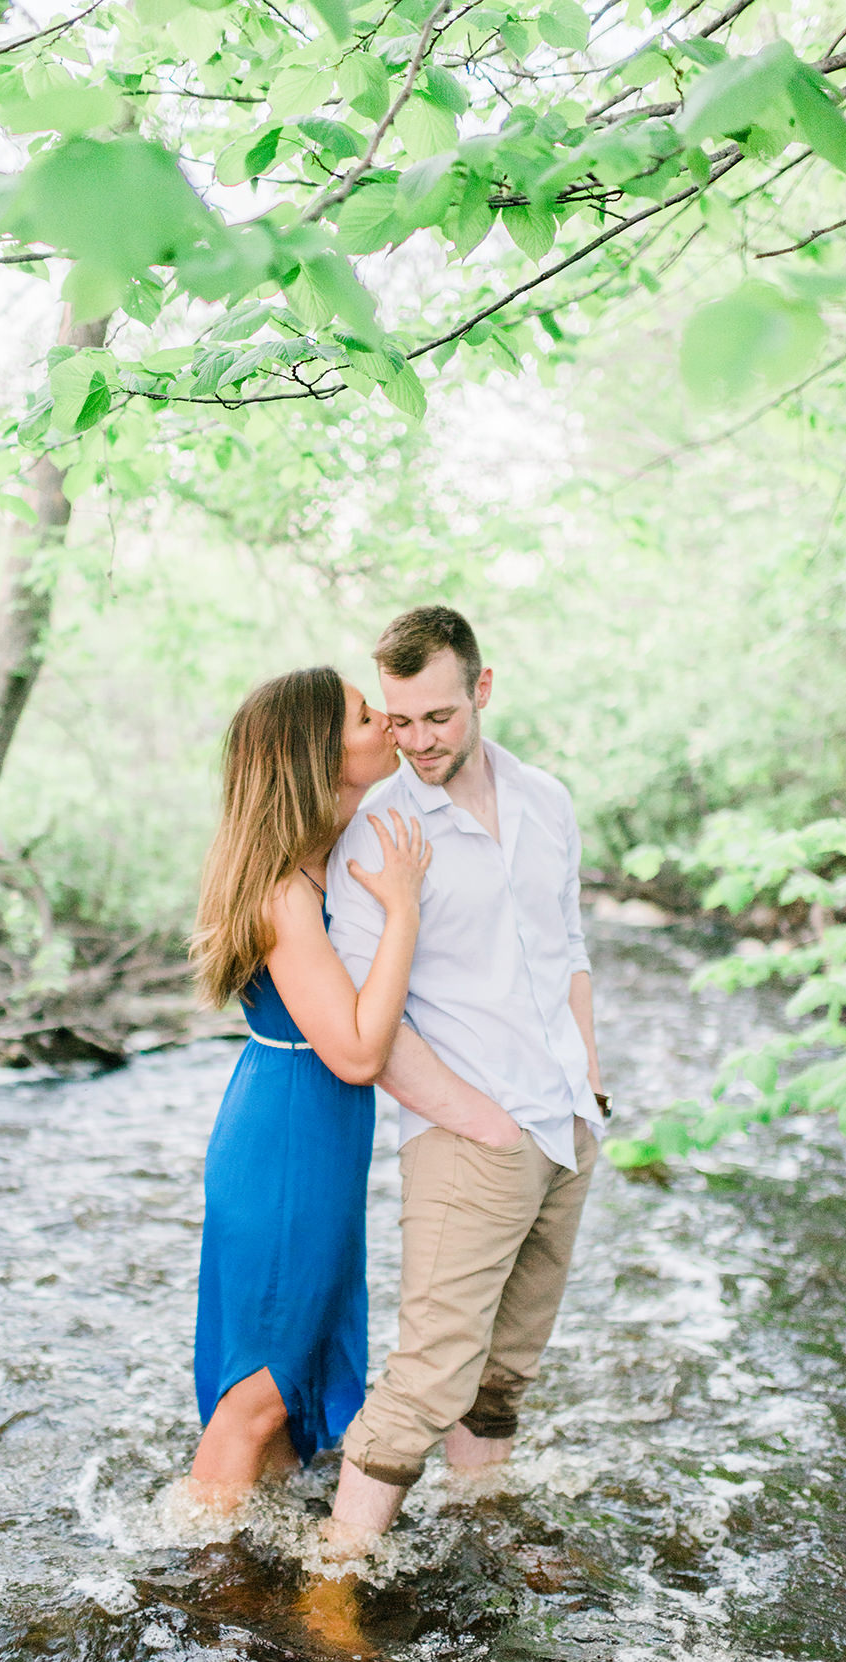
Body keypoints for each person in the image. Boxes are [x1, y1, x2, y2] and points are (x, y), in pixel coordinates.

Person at [323, 606, 608, 1547]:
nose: (414, 742)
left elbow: (567, 949)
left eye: (435, 718)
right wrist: (480, 1123)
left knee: (501, 1378)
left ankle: (479, 1543)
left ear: (480, 690)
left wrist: (589, 1093)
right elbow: (376, 1017)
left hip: (564, 1120)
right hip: (469, 1137)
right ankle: (338, 1578)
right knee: (427, 1379)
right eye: (396, 722)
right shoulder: (376, 835)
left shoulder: (546, 799)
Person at [188, 665, 438, 1507]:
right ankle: (182, 1575)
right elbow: (359, 1053)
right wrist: (402, 910)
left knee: (290, 1386)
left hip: (306, 1134)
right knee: (257, 1396)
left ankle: (251, 1575)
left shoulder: (321, 852)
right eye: (371, 718)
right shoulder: (285, 893)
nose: (392, 727)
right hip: (290, 1138)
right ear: (318, 755)